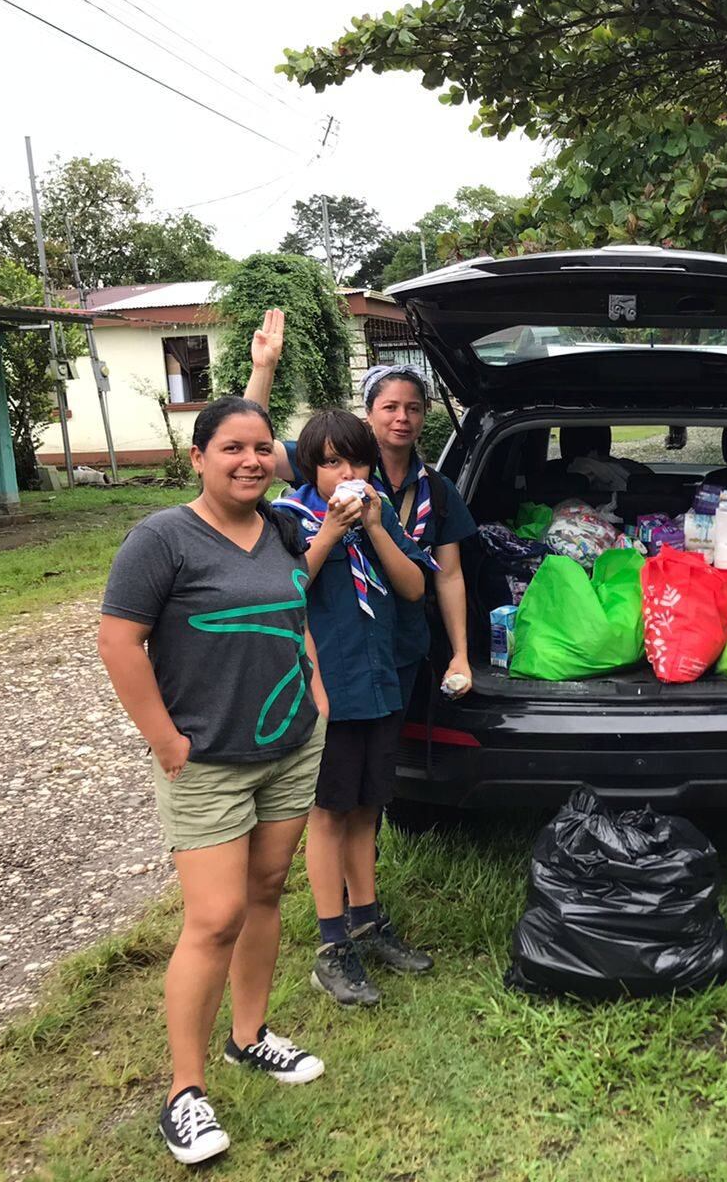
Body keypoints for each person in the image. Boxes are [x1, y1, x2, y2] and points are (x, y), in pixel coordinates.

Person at [98, 397, 329, 1166]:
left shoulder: (284, 527)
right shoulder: (161, 539)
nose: (251, 460)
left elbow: (295, 610)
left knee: (266, 893)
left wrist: (317, 692)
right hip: (209, 762)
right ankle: (184, 1095)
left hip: (290, 744)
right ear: (197, 457)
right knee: (215, 916)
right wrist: (164, 739)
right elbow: (119, 640)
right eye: (232, 447)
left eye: (263, 447)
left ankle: (249, 1036)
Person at [274, 410, 435, 1006]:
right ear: (311, 468)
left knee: (369, 807)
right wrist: (331, 535)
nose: (348, 472)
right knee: (329, 812)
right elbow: (289, 590)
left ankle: (367, 921)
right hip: (331, 688)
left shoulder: (380, 512)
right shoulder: (290, 520)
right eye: (333, 462)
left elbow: (414, 588)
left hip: (380, 679)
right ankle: (331, 943)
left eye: (357, 461)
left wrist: (374, 525)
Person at [245, 311, 476, 711]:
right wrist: (264, 369)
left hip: (403, 645)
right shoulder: (333, 465)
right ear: (369, 414)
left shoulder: (438, 490)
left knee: (386, 755)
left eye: (414, 408)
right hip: (342, 648)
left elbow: (449, 576)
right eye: (390, 407)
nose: (402, 417)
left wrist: (460, 654)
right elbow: (252, 444)